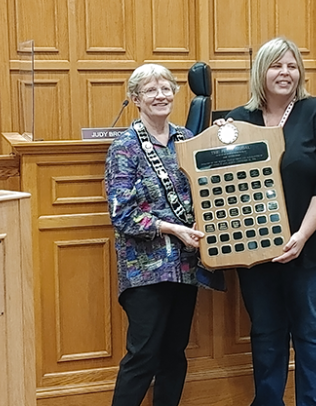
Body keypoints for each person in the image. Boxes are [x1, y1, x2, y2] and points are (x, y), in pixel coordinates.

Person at [225, 37, 316, 406]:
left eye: (292, 66)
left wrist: (301, 235)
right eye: (276, 65)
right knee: (266, 333)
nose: (285, 73)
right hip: (257, 250)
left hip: (312, 248)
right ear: (260, 72)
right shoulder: (238, 119)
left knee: (312, 332)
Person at [105, 63, 206, 406]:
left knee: (174, 354)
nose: (160, 95)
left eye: (166, 88)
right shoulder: (125, 147)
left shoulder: (188, 139)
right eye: (150, 90)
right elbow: (122, 215)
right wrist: (172, 228)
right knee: (142, 356)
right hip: (145, 270)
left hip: (185, 265)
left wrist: (224, 132)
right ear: (135, 99)